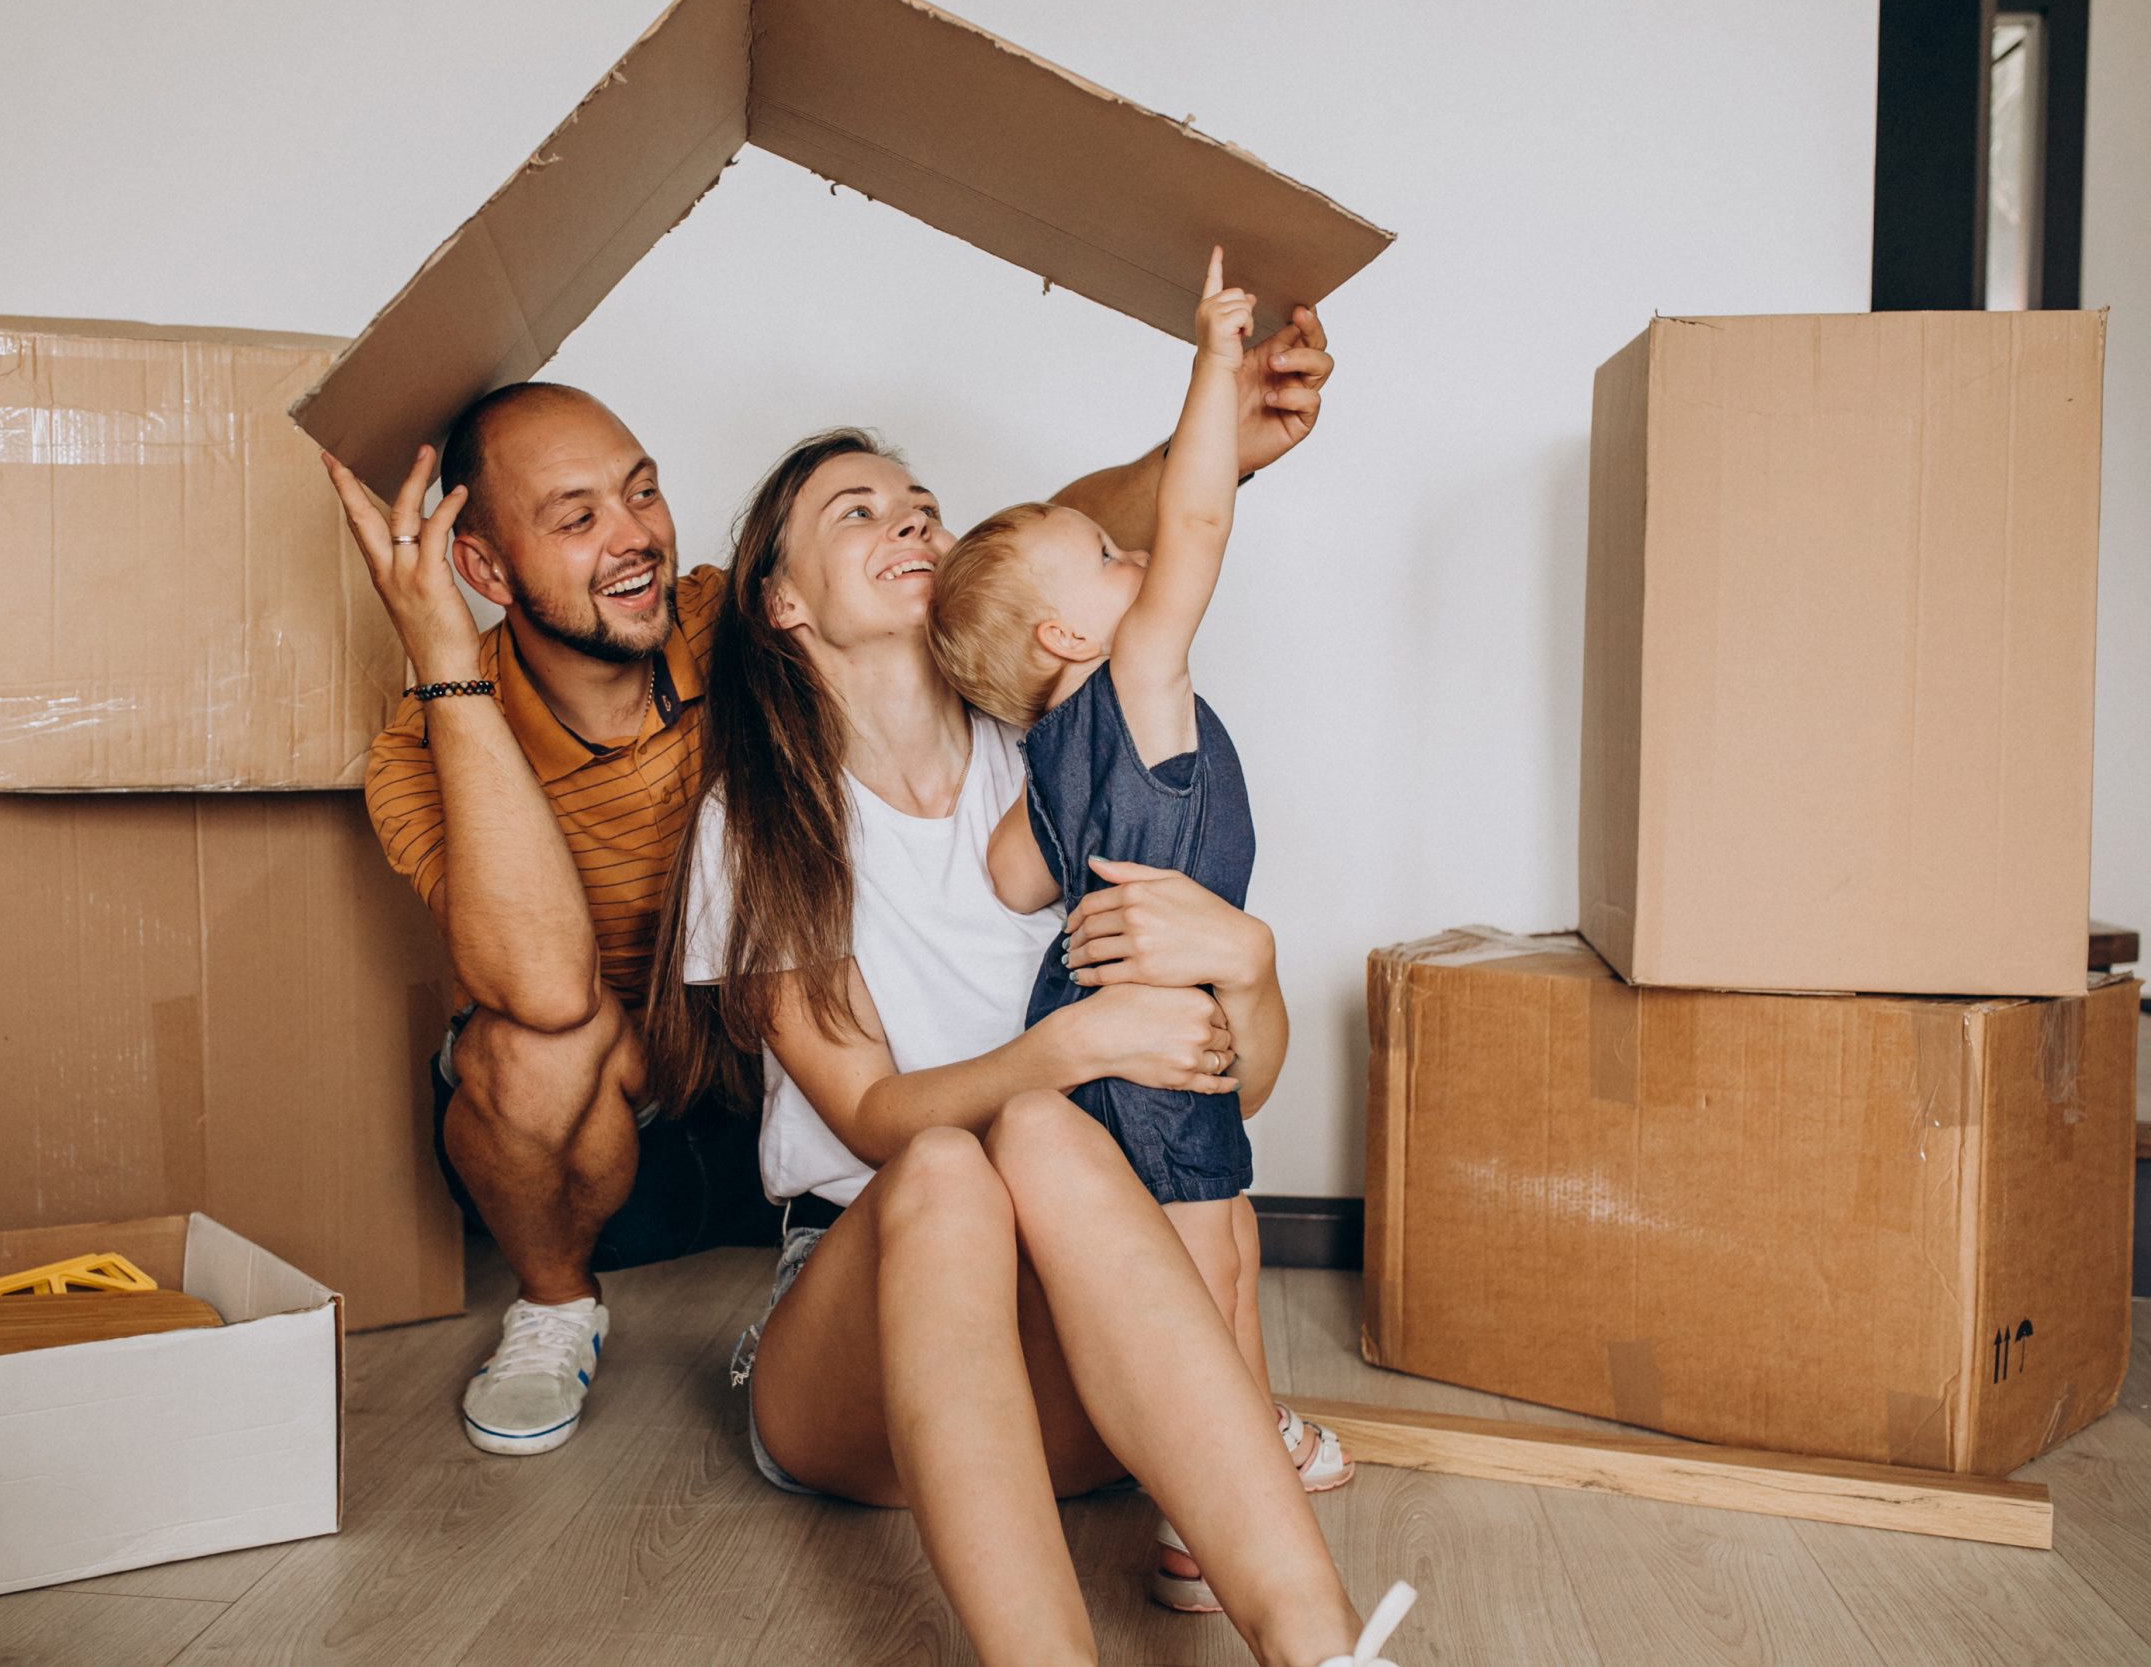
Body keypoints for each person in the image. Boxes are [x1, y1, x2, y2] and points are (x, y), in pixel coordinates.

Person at [321, 319, 1335, 1460]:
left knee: (1111, 1230)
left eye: (643, 493)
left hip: (831, 1092)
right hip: (639, 1121)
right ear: (485, 569)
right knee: (536, 1043)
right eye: (578, 517)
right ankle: (558, 1304)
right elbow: (546, 985)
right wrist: (444, 661)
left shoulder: (721, 620)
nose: (633, 537)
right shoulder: (429, 746)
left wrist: (1215, 444)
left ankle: (1192, 1431)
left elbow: (1019, 563)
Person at [643, 428, 1412, 1666]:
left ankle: (1320, 1648)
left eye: (923, 507)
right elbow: (876, 1119)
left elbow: (1233, 1097)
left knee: (1062, 1145)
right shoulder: (759, 824)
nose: (907, 522)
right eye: (857, 512)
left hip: (1077, 1342)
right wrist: (1074, 1042)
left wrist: (1248, 965)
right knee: (954, 1164)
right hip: (856, 1338)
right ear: (781, 601)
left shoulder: (1060, 758)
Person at [925, 250, 1350, 1607]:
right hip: (1154, 1045)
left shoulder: (1052, 762)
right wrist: (1213, 362)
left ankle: (1242, 1445)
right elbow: (1202, 528)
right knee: (1215, 1248)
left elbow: (1008, 880)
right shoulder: (1137, 682)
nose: (1139, 559)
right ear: (1069, 628)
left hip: (1107, 1035)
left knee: (1206, 1242)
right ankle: (1200, 1513)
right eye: (1106, 559)